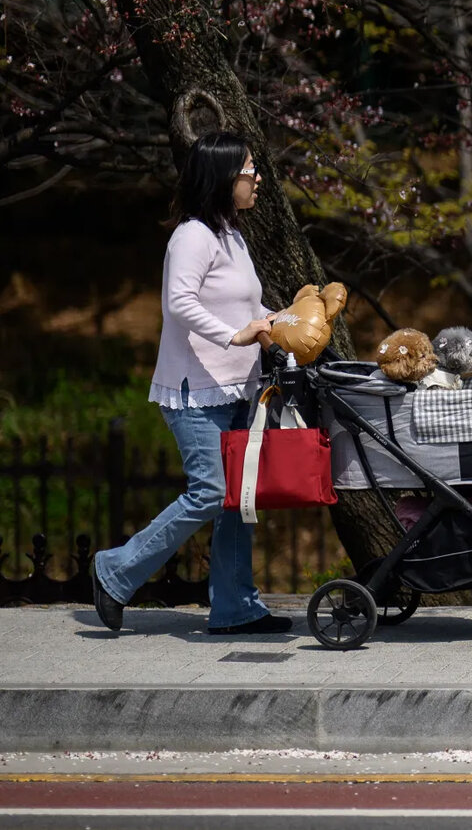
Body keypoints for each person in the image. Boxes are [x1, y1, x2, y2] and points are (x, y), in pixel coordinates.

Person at [91, 131, 290, 636]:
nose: (257, 178)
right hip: (193, 393)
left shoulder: (232, 235)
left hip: (237, 390)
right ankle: (114, 570)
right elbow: (180, 304)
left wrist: (284, 318)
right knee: (211, 492)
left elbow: (246, 309)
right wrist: (235, 335)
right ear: (225, 178)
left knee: (235, 501)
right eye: (249, 170)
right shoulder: (192, 235)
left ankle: (236, 608)